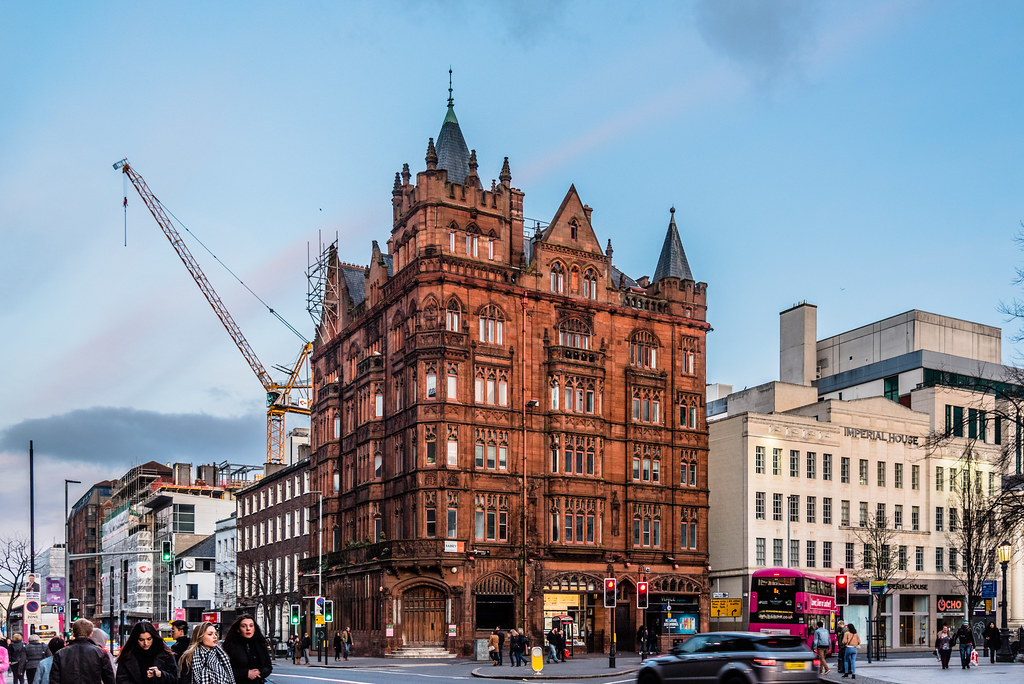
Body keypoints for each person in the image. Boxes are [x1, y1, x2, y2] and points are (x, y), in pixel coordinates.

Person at [50, 618, 115, 684]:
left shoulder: (60, 654)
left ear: (73, 634)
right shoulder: (100, 653)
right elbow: (109, 679)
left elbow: (54, 680)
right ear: (91, 634)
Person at [222, 614, 273, 684]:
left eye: (251, 626)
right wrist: (246, 674)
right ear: (238, 629)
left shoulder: (260, 644)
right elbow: (225, 670)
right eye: (243, 626)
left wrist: (259, 672)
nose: (248, 629)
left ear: (254, 628)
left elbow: (268, 667)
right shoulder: (230, 645)